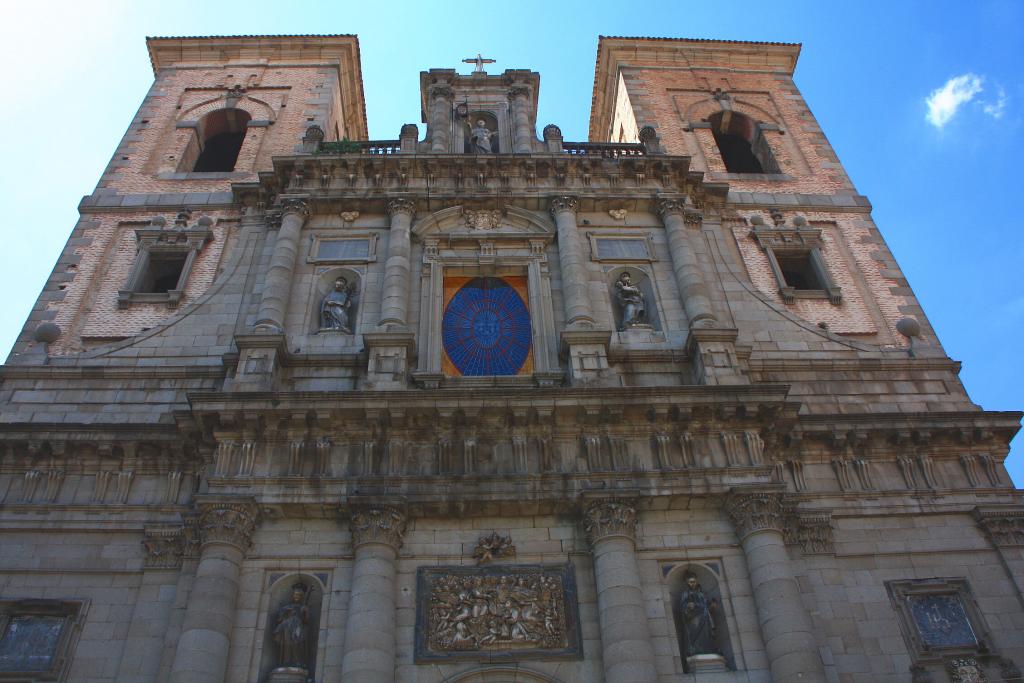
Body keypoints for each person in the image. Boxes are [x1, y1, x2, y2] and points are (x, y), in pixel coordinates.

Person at [678, 572, 718, 656]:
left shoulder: (701, 594)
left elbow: (707, 606)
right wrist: (688, 606)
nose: (692, 584)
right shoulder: (685, 593)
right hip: (694, 618)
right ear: (687, 582)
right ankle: (695, 649)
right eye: (690, 582)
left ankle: (708, 649)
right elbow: (683, 607)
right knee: (695, 634)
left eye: (694, 582)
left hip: (705, 616)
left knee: (706, 635)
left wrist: (712, 606)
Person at [273, 583, 310, 669]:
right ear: (292, 595)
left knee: (297, 644)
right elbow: (279, 619)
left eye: (299, 595)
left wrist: (305, 612)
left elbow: (306, 621)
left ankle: (298, 662)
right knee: (286, 645)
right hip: (286, 628)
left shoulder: (304, 607)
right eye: (295, 594)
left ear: (302, 597)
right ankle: (285, 661)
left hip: (298, 628)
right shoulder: (286, 607)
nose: (297, 596)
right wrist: (285, 612)